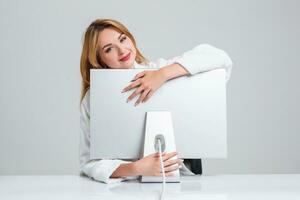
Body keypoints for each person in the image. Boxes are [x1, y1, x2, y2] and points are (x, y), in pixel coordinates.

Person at [79, 18, 233, 184]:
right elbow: (88, 162)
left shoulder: (160, 69)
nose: (122, 50)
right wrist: (137, 168)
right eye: (109, 49)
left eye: (123, 39)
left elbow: (221, 59)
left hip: (184, 180)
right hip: (125, 187)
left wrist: (162, 74)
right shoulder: (94, 97)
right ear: (99, 59)